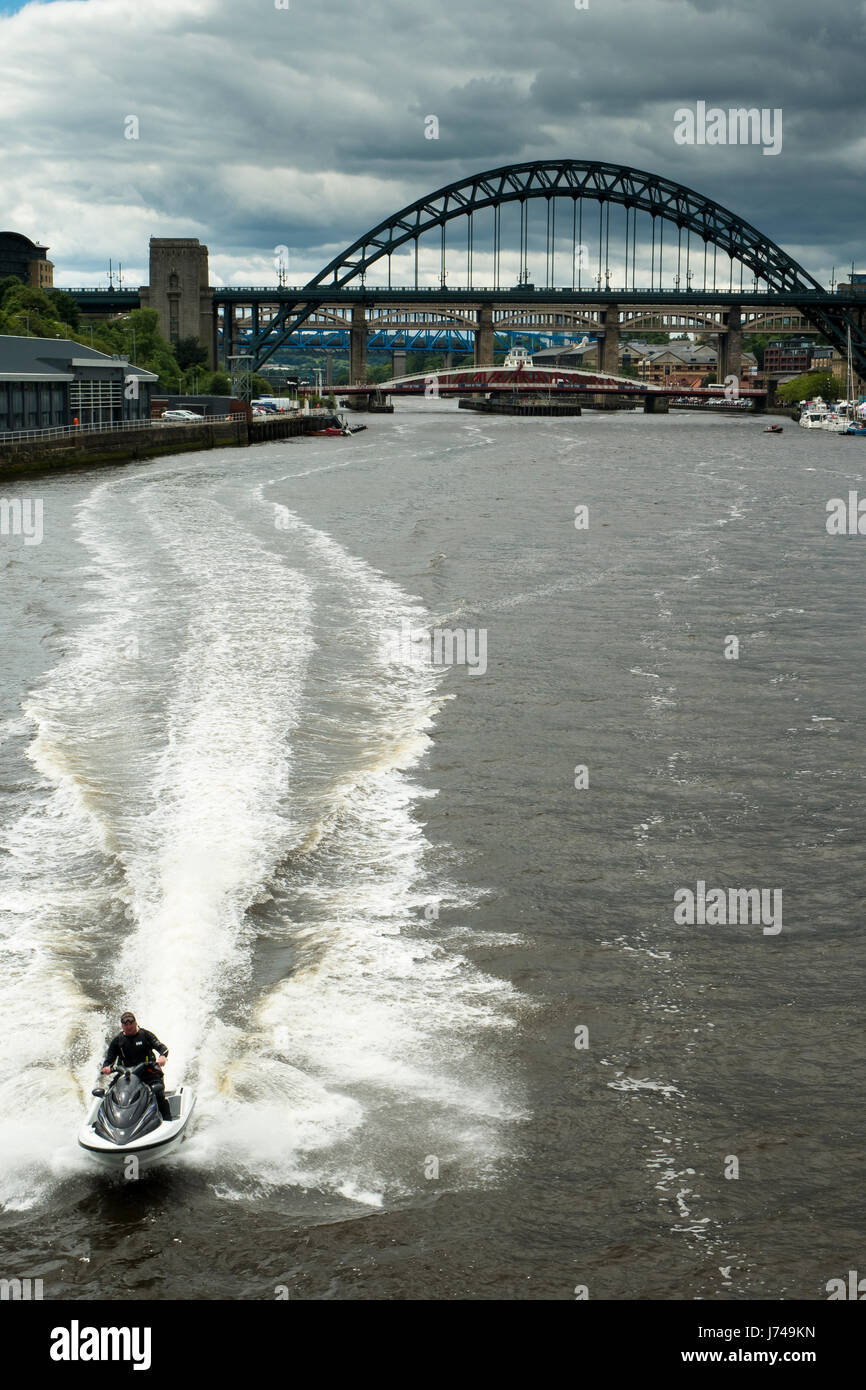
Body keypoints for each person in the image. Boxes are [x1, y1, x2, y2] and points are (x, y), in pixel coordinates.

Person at [101, 1012, 172, 1122]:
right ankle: (108, 1122)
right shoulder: (117, 1041)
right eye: (126, 1025)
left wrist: (163, 1056)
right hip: (126, 1075)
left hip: (148, 1072)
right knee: (109, 1094)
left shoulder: (145, 1035)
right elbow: (109, 1060)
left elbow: (162, 1048)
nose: (129, 1027)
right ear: (122, 1026)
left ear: (136, 1023)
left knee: (158, 1092)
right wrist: (106, 1067)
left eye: (131, 1023)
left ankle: (168, 1121)